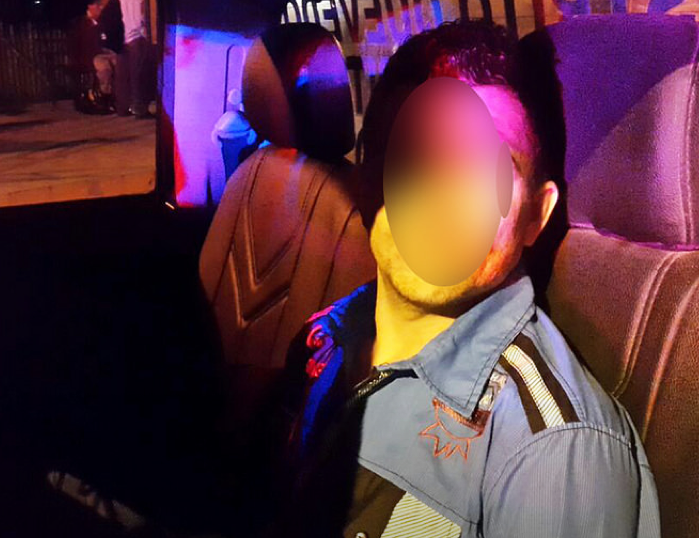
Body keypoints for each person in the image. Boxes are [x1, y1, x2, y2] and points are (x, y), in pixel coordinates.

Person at [253, 19, 661, 538]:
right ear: (365, 181)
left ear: (537, 216)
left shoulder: (549, 450)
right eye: (412, 154)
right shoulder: (323, 339)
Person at [70, 0, 116, 113]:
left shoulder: (102, 23)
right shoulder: (82, 24)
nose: (100, 9)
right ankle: (105, 96)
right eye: (98, 6)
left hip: (104, 53)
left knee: (119, 61)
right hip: (91, 57)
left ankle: (119, 96)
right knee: (104, 67)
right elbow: (81, 47)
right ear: (90, 7)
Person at [120, 0, 153, 118]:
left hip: (127, 35)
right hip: (138, 35)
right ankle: (139, 107)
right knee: (139, 74)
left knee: (132, 74)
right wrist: (145, 30)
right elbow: (142, 11)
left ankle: (130, 105)